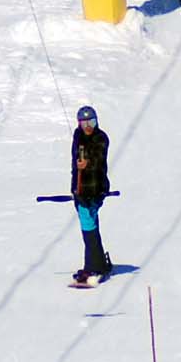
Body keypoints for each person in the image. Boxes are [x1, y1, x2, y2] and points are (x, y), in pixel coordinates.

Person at [69, 105, 113, 281]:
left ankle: (92, 267)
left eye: (91, 122)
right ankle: (98, 263)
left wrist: (86, 163)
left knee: (88, 224)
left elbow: (98, 159)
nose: (88, 127)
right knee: (90, 224)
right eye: (84, 123)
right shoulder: (77, 137)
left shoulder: (101, 138)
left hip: (96, 188)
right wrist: (75, 187)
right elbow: (75, 165)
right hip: (80, 189)